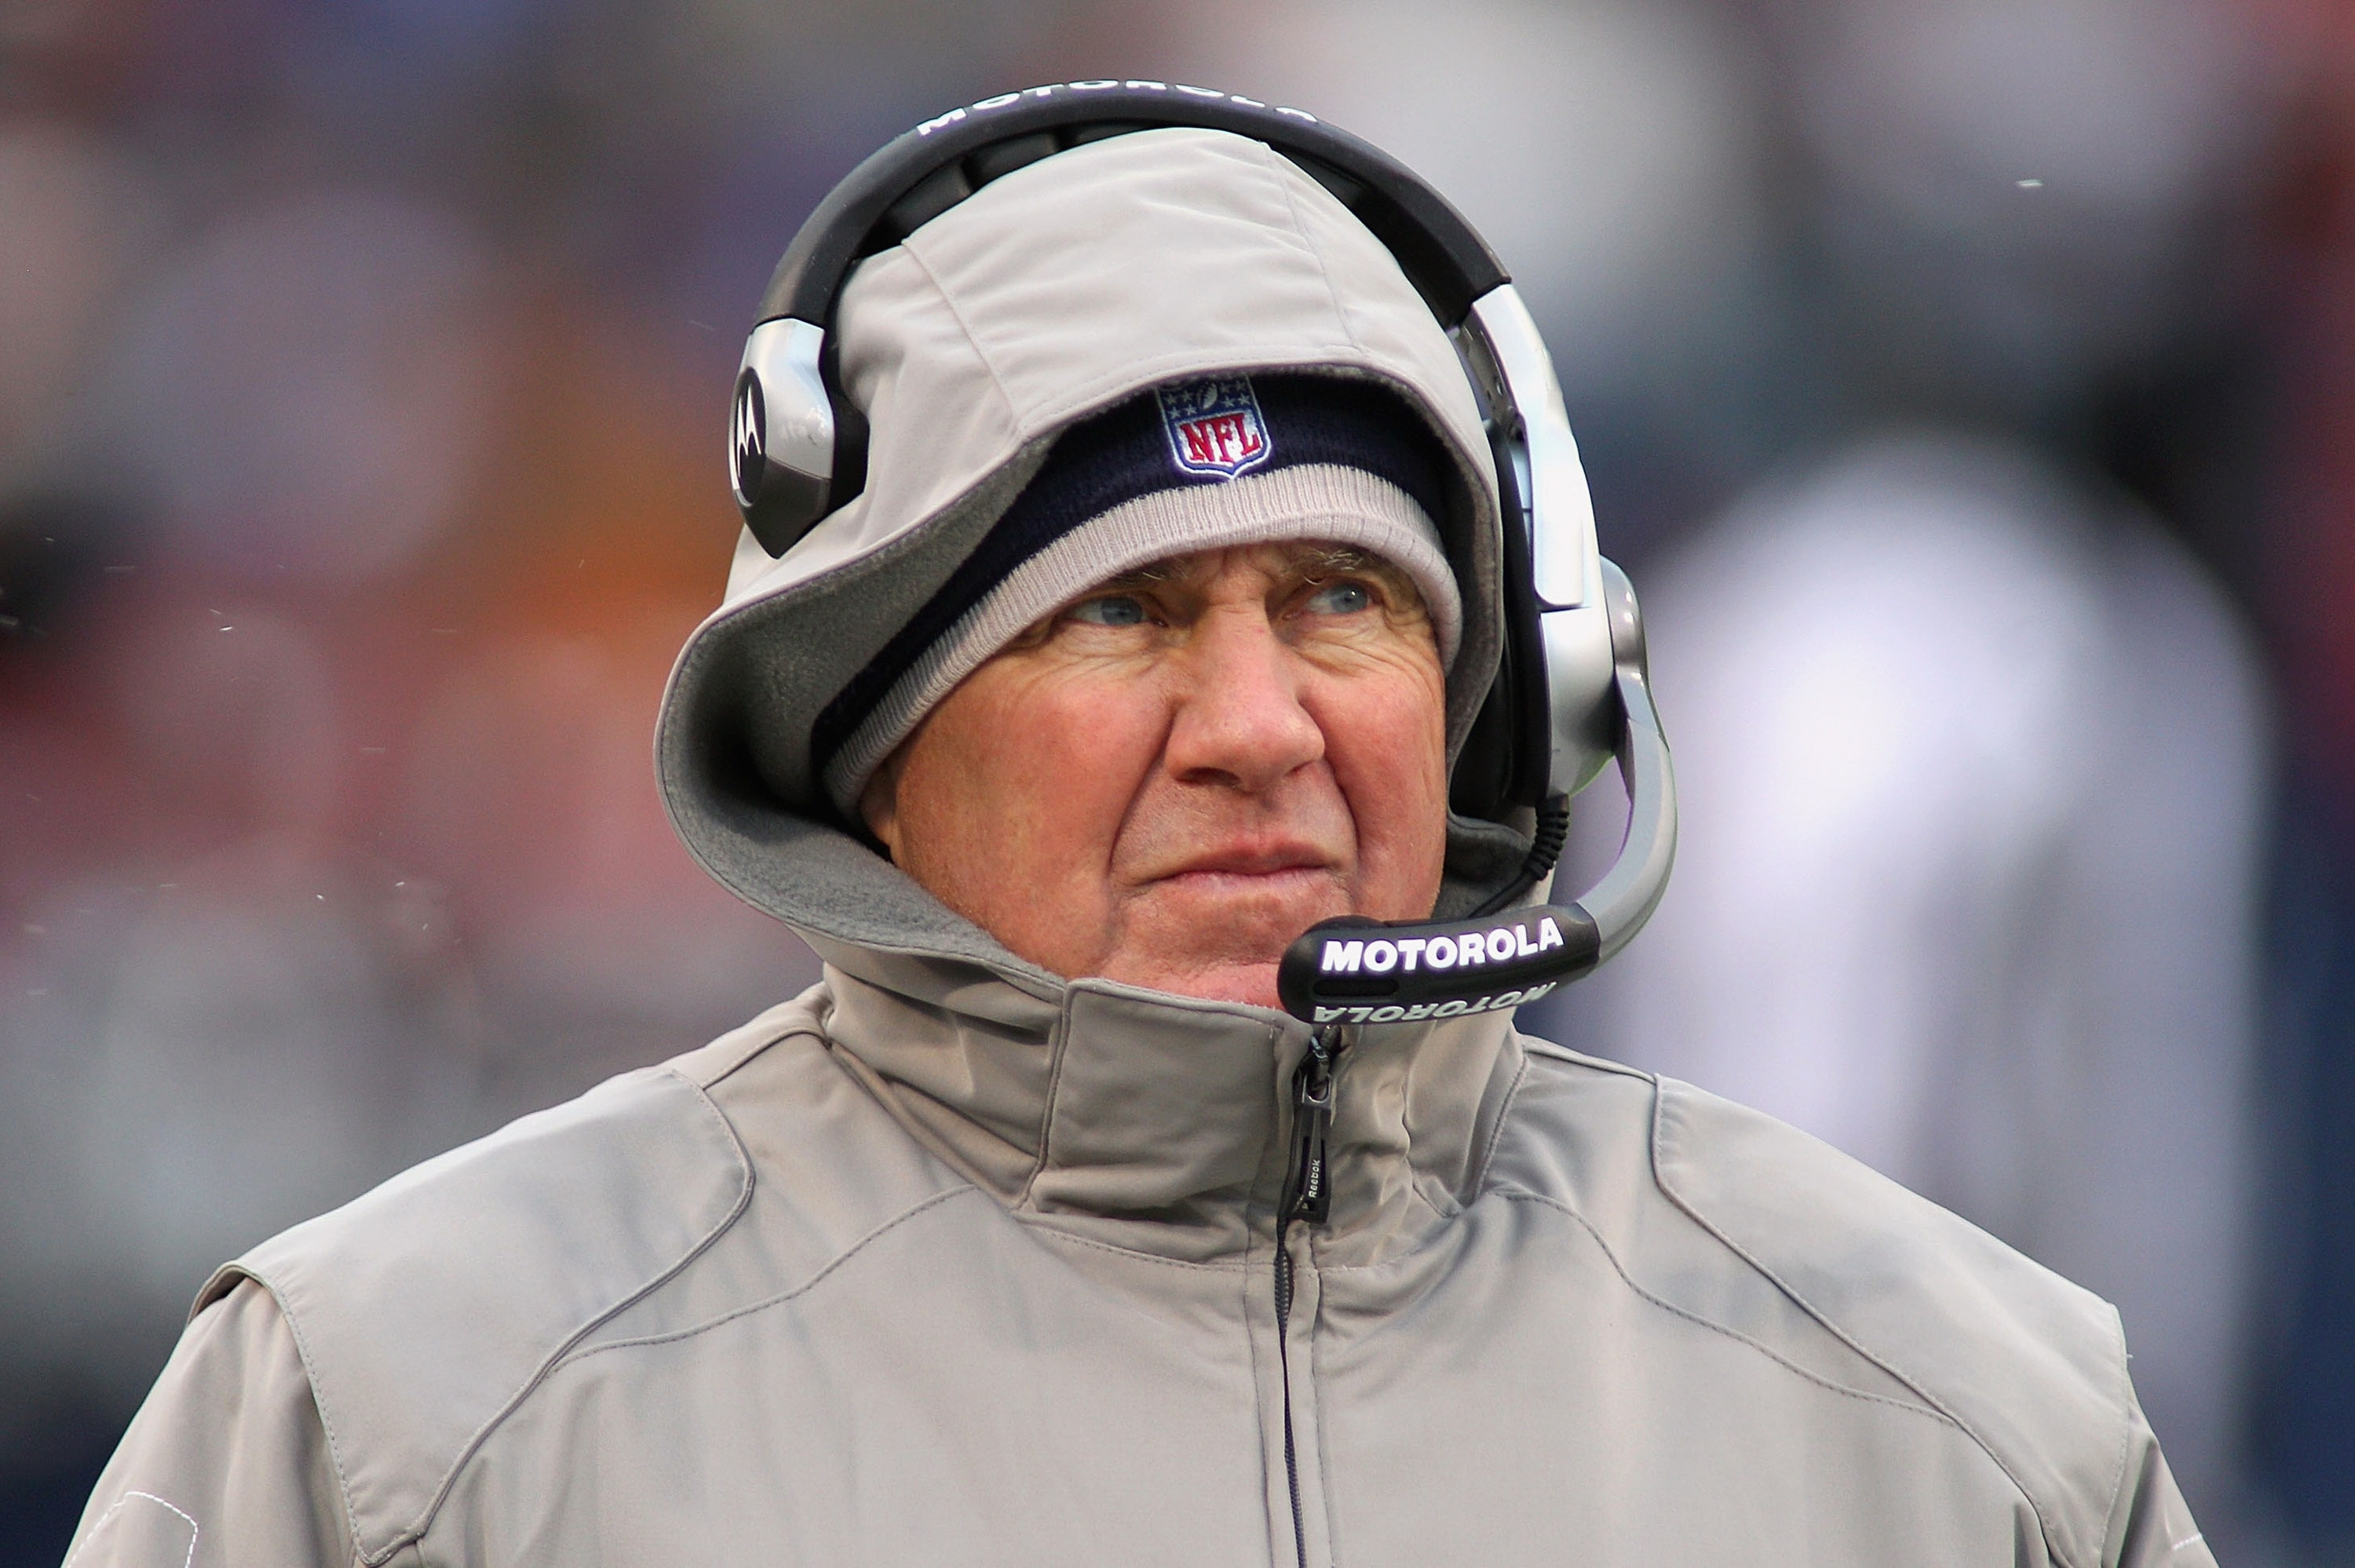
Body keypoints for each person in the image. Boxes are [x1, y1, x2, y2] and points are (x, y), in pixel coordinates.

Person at [68, 91, 2210, 1566]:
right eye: (1126, 613)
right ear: (871, 726)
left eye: (1343, 601)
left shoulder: (1959, 1416)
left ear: (1502, 689)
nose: (1261, 726)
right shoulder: (395, 1411)